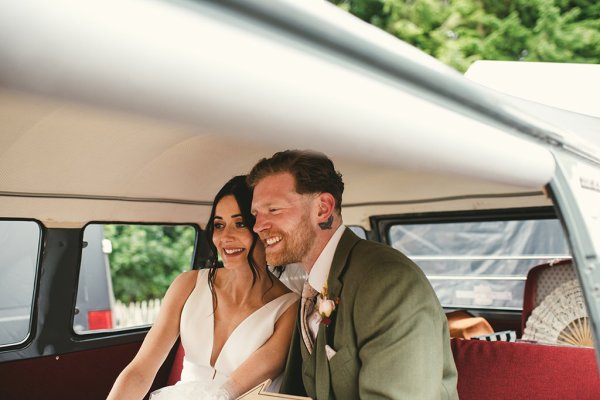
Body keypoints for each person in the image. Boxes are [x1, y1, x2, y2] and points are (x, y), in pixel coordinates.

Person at [248, 150, 459, 400]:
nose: (258, 226)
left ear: (323, 209)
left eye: (273, 210)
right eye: (256, 214)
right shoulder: (314, 287)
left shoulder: (388, 281)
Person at [107, 176, 298, 400]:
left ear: (262, 229)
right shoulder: (187, 285)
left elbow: (230, 389)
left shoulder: (289, 308)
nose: (225, 237)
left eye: (240, 224)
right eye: (219, 225)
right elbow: (140, 371)